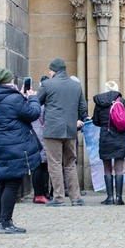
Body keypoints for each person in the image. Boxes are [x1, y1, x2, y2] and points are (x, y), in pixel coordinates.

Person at [0, 68, 41, 234]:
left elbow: (11, 111)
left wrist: (20, 98)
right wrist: (33, 98)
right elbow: (33, 113)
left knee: (3, 182)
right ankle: (6, 222)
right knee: (12, 183)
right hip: (13, 145)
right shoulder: (13, 98)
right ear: (9, 81)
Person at [37, 58, 88, 206]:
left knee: (54, 164)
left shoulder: (47, 84)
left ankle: (58, 198)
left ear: (54, 71)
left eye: (50, 70)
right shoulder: (76, 85)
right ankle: (76, 197)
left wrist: (30, 97)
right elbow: (82, 107)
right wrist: (73, 119)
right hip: (70, 130)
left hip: (52, 130)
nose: (49, 72)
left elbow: (37, 103)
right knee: (70, 164)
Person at [92, 81, 125, 205]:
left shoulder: (99, 102)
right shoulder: (121, 101)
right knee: (119, 168)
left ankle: (109, 197)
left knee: (107, 168)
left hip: (105, 136)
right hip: (119, 136)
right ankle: (119, 198)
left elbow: (96, 121)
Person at [31, 76, 50, 204]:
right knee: (41, 167)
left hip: (35, 133)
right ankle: (40, 193)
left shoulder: (34, 99)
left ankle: (42, 193)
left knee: (41, 166)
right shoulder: (43, 100)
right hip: (42, 135)